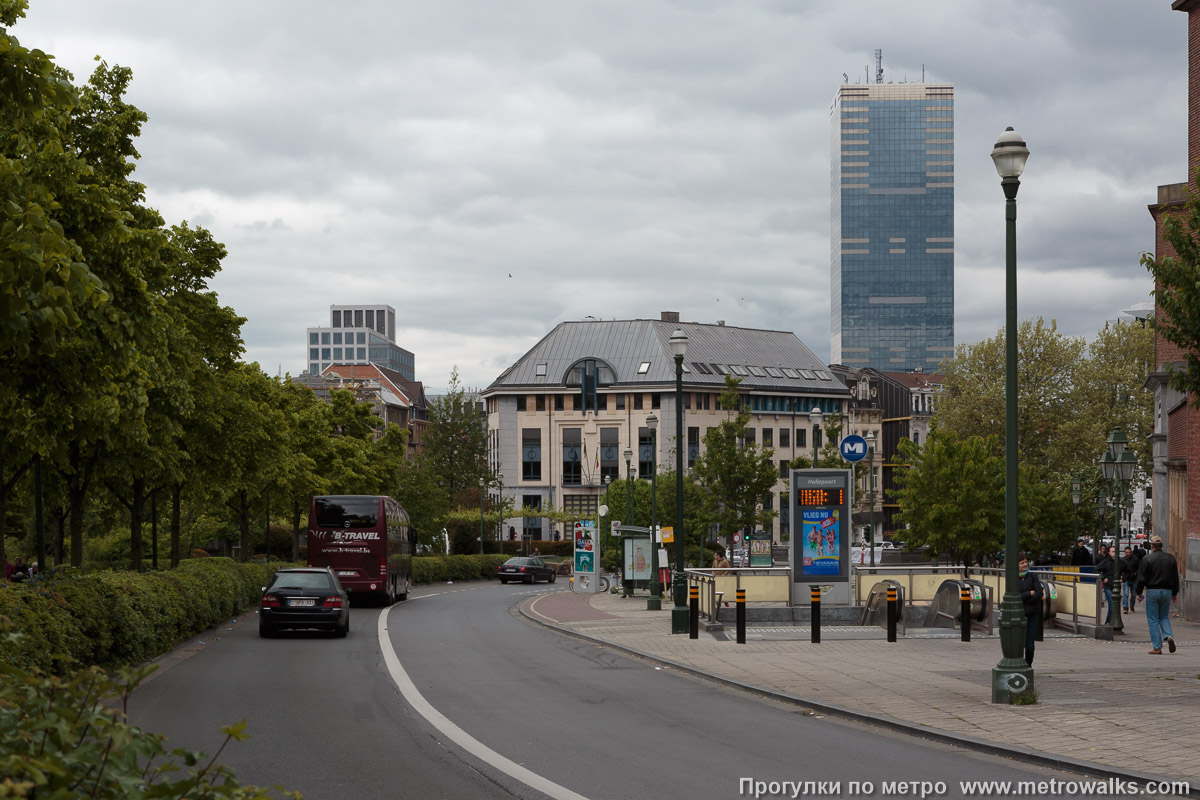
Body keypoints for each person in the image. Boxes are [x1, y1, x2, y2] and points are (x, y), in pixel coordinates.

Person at [1136, 535, 1180, 654]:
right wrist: (1174, 592)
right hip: (1167, 591)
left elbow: (1141, 578)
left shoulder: (1147, 559)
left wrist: (1138, 592)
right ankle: (1169, 636)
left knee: (1153, 619)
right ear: (1162, 546)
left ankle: (1157, 647)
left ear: (1151, 546)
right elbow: (1175, 577)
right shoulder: (1171, 559)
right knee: (1164, 616)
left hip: (1152, 590)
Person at [1018, 553, 1043, 666]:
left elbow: (1038, 593)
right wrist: (1029, 593)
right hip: (1019, 614)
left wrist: (1025, 598)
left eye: (1025, 562)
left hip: (1032, 613)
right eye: (1022, 563)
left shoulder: (1033, 576)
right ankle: (1018, 664)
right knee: (1018, 643)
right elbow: (1015, 596)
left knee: (1030, 645)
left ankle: (1028, 665)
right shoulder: (1013, 579)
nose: (1025, 565)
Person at [1095, 546, 1114, 624]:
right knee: (1112, 603)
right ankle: (1108, 621)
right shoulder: (1106, 562)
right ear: (1109, 553)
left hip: (1116, 586)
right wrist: (1103, 578)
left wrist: (1123, 578)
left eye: (1115, 551)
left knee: (1114, 604)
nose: (1114, 553)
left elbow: (1127, 571)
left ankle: (1111, 620)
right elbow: (1096, 569)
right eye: (1112, 551)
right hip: (1108, 586)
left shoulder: (1120, 562)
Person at [1121, 546, 1138, 612]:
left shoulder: (1135, 560)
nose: (1128, 554)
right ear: (1124, 553)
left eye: (1129, 552)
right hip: (1125, 579)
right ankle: (1125, 606)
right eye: (1127, 552)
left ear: (1131, 552)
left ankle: (1132, 605)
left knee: (1133, 594)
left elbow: (1138, 568)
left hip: (1133, 579)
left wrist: (1136, 573)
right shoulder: (1122, 560)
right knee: (1125, 593)